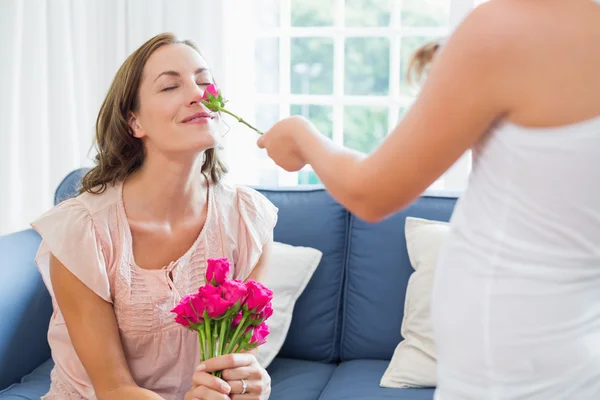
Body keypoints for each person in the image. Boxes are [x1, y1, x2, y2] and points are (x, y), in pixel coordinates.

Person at [257, 0, 600, 399]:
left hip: (507, 363)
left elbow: (372, 193)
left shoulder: (514, 27)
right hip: (569, 350)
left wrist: (300, 135)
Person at [31, 33, 277, 400]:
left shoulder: (248, 218)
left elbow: (237, 360)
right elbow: (113, 388)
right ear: (134, 123)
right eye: (170, 86)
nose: (200, 94)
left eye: (205, 81)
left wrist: (248, 383)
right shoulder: (81, 231)